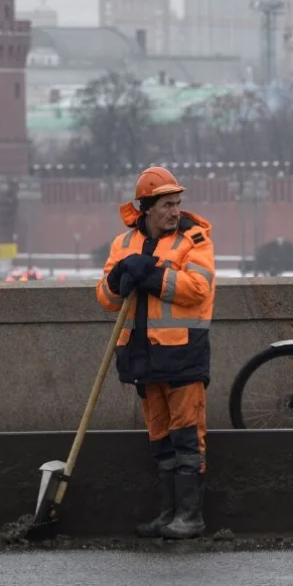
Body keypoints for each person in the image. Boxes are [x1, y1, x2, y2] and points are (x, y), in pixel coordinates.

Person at [96, 166, 216, 539]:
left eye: (177, 203)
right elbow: (106, 299)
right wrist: (119, 278)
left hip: (182, 357)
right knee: (160, 440)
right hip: (142, 359)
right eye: (167, 204)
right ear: (147, 207)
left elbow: (198, 288)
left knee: (186, 439)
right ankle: (168, 515)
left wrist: (149, 273)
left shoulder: (194, 240)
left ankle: (191, 517)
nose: (174, 211)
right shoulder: (123, 245)